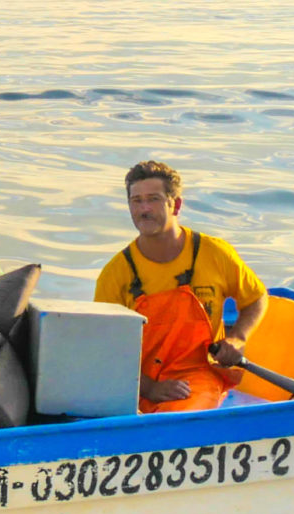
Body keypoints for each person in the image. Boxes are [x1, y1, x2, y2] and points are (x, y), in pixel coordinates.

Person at [95, 161, 268, 413]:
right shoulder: (115, 273)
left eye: (153, 199)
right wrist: (149, 387)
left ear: (175, 204)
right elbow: (102, 345)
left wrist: (238, 337)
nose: (144, 209)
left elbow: (256, 298)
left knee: (175, 419)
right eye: (136, 201)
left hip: (195, 378)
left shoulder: (214, 253)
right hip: (133, 382)